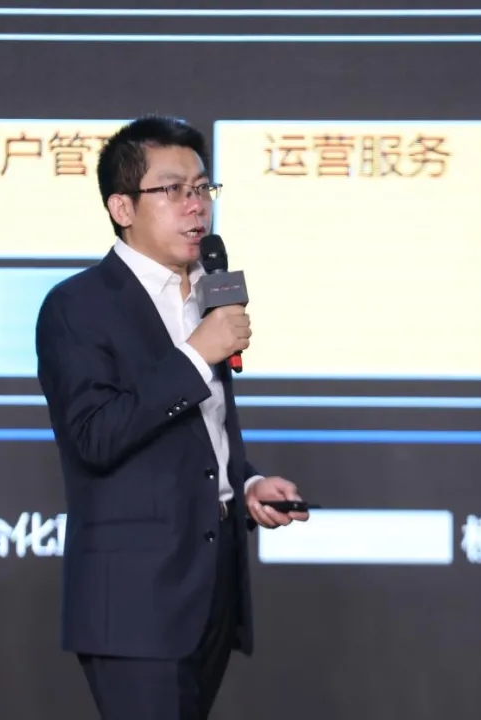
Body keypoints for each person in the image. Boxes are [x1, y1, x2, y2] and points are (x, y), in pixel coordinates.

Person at [34, 115, 310, 719]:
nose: (196, 205)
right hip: (134, 599)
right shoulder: (77, 305)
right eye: (173, 189)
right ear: (122, 207)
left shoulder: (208, 292)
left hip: (212, 585)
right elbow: (95, 436)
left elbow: (201, 433)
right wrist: (195, 355)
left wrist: (247, 483)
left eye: (203, 188)